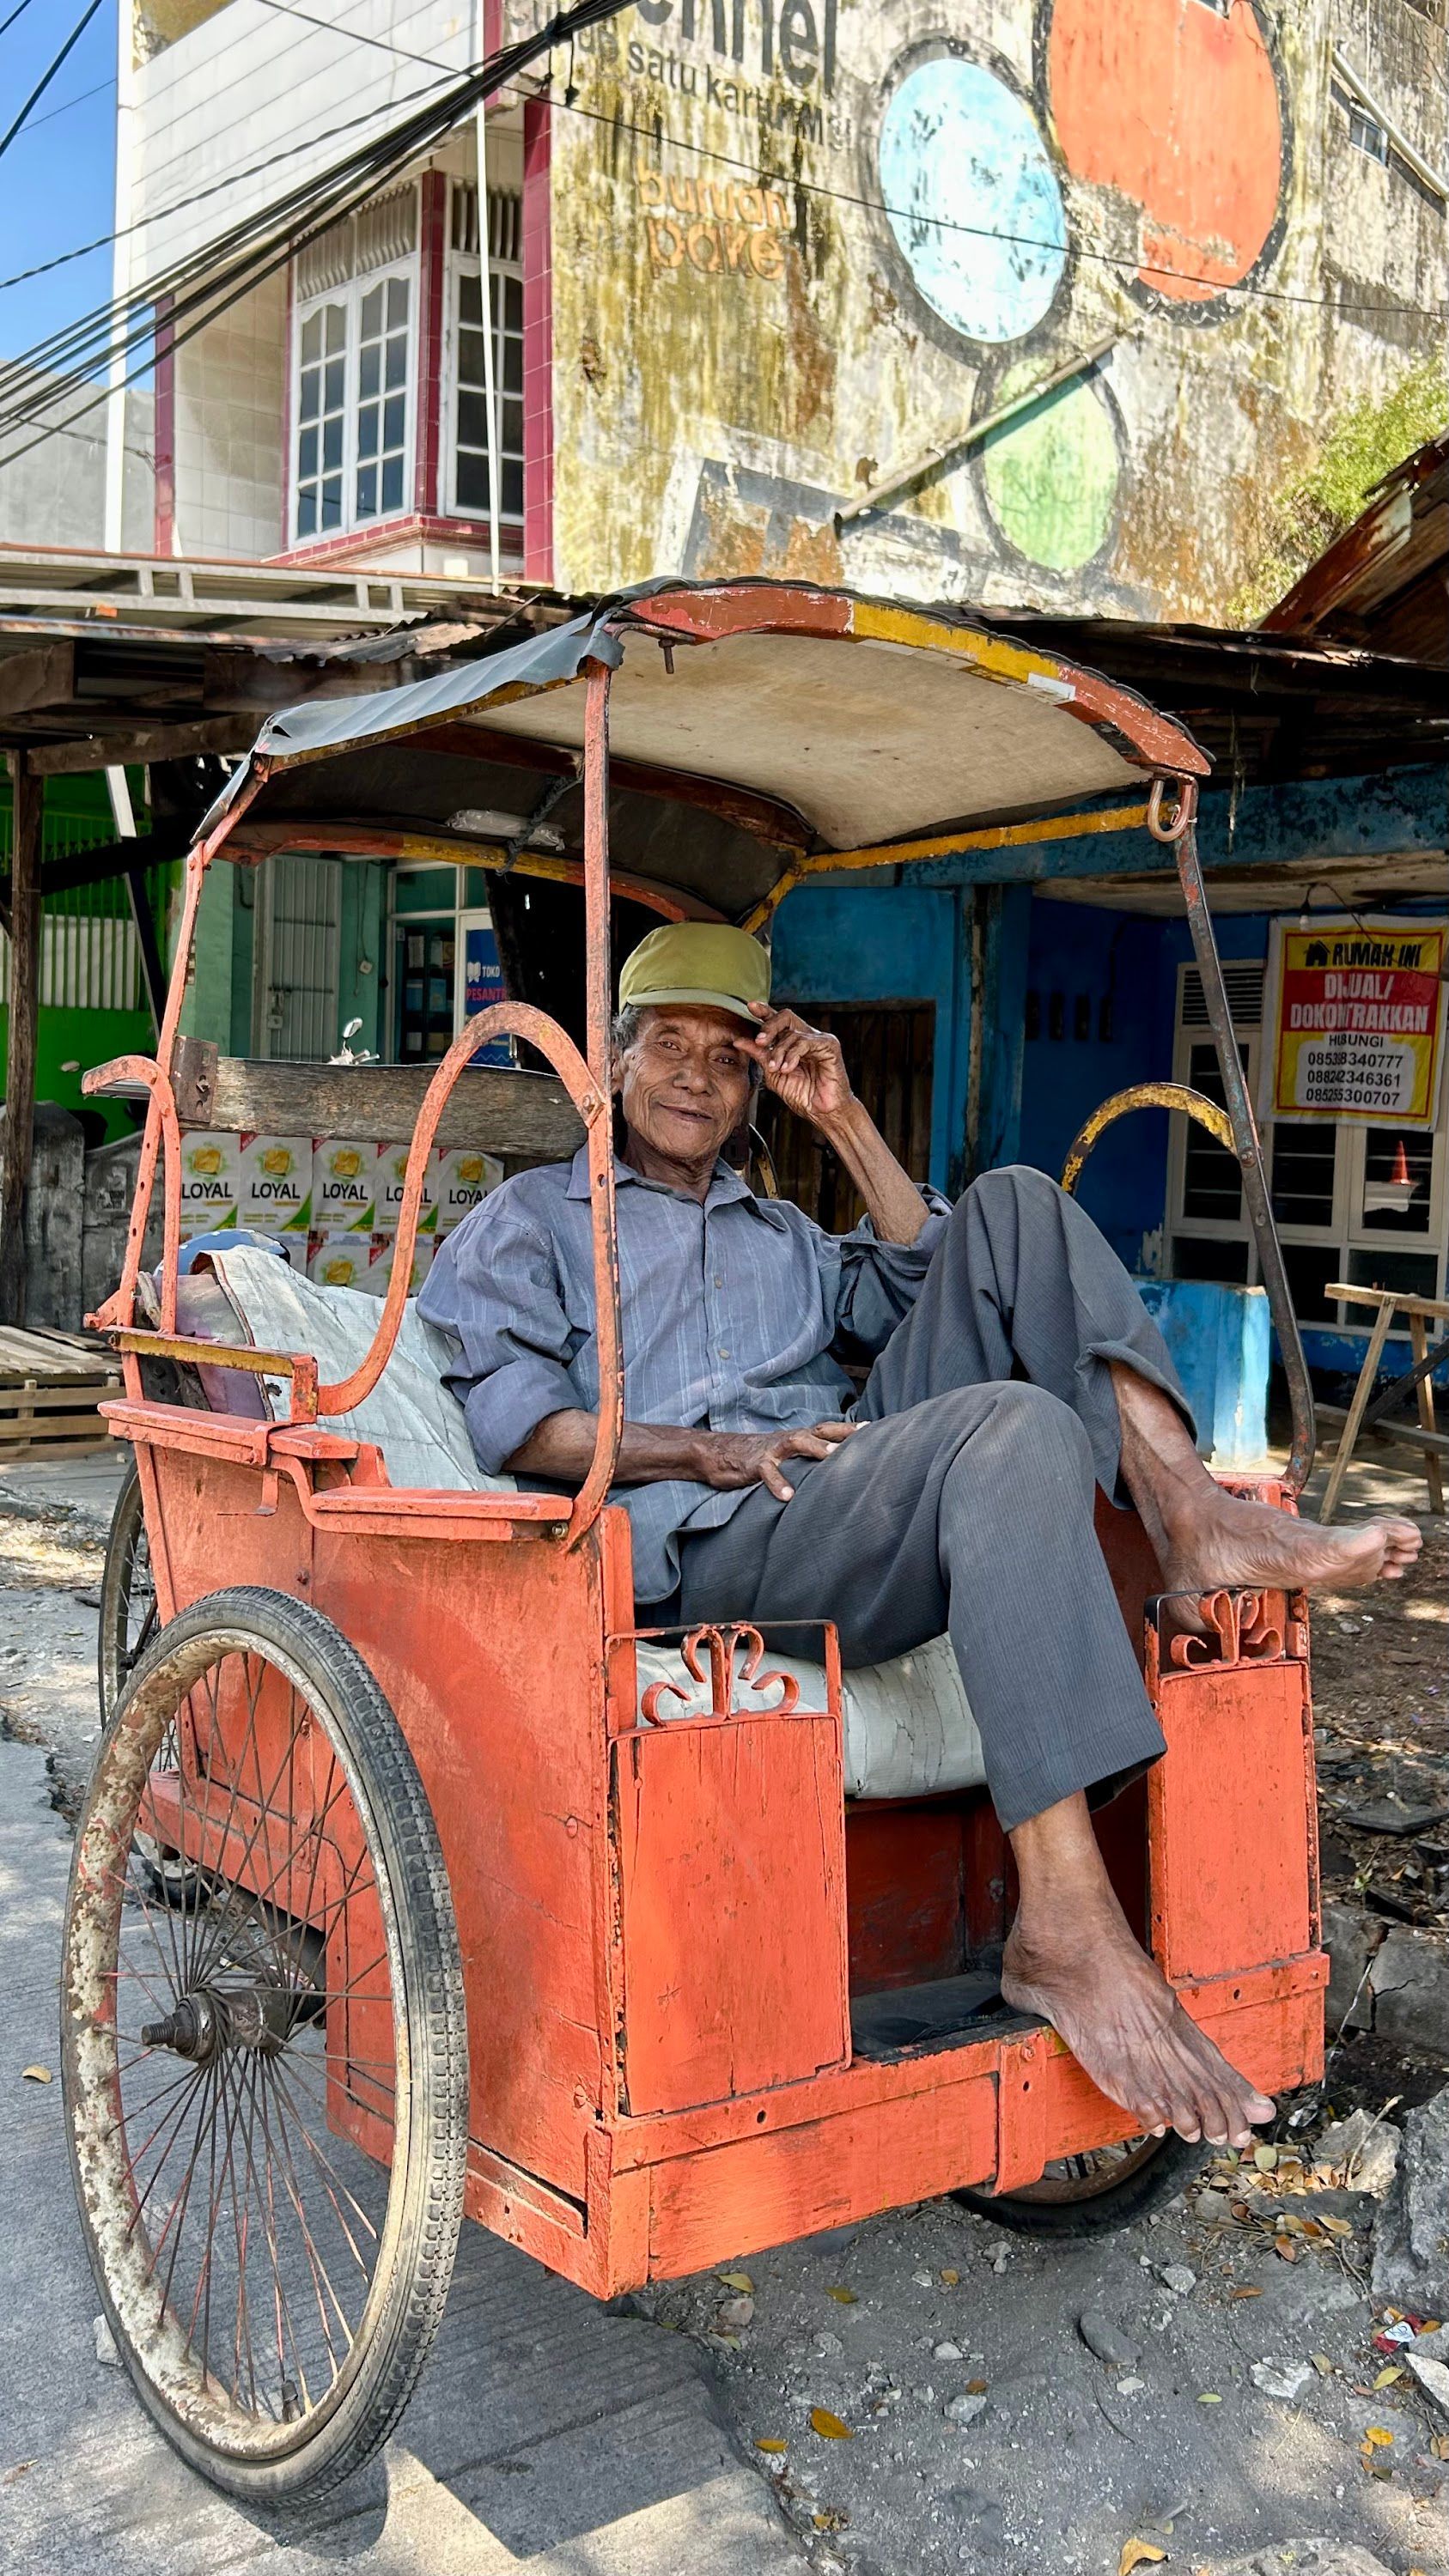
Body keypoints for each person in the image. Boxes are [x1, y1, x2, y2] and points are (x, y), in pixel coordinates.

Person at [421, 924, 1420, 2151]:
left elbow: (940, 1274)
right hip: (712, 1540)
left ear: (752, 1093)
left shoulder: (781, 1233)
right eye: (666, 1048)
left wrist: (842, 1121)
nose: (694, 1076)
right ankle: (1065, 1918)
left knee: (1012, 1205)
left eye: (726, 1060)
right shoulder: (534, 1222)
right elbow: (519, 1424)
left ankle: (1191, 1513)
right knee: (1014, 1428)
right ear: (613, 1066)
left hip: (845, 1497)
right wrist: (707, 1449)